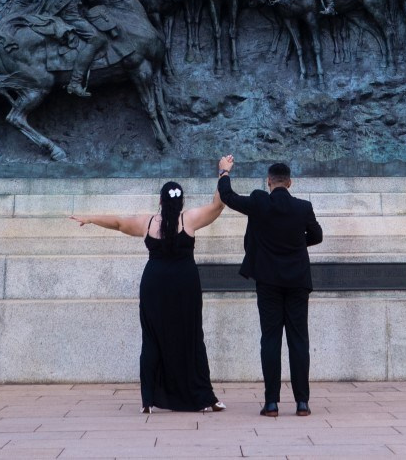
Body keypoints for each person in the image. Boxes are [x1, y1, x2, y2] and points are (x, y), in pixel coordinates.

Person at [71, 182, 228, 414]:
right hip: (185, 285)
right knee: (192, 338)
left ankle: (148, 400)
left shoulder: (148, 222)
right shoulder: (190, 219)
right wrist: (224, 173)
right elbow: (218, 205)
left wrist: (91, 218)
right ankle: (204, 396)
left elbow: (118, 223)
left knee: (152, 339)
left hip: (154, 285)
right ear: (182, 201)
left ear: (161, 201)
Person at [217, 154, 323, 418]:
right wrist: (295, 245)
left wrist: (224, 172)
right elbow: (317, 236)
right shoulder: (303, 207)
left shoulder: (258, 202)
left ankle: (272, 403)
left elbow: (228, 197)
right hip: (298, 281)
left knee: (271, 340)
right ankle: (302, 403)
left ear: (268, 182)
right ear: (290, 183)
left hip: (268, 282)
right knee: (299, 341)